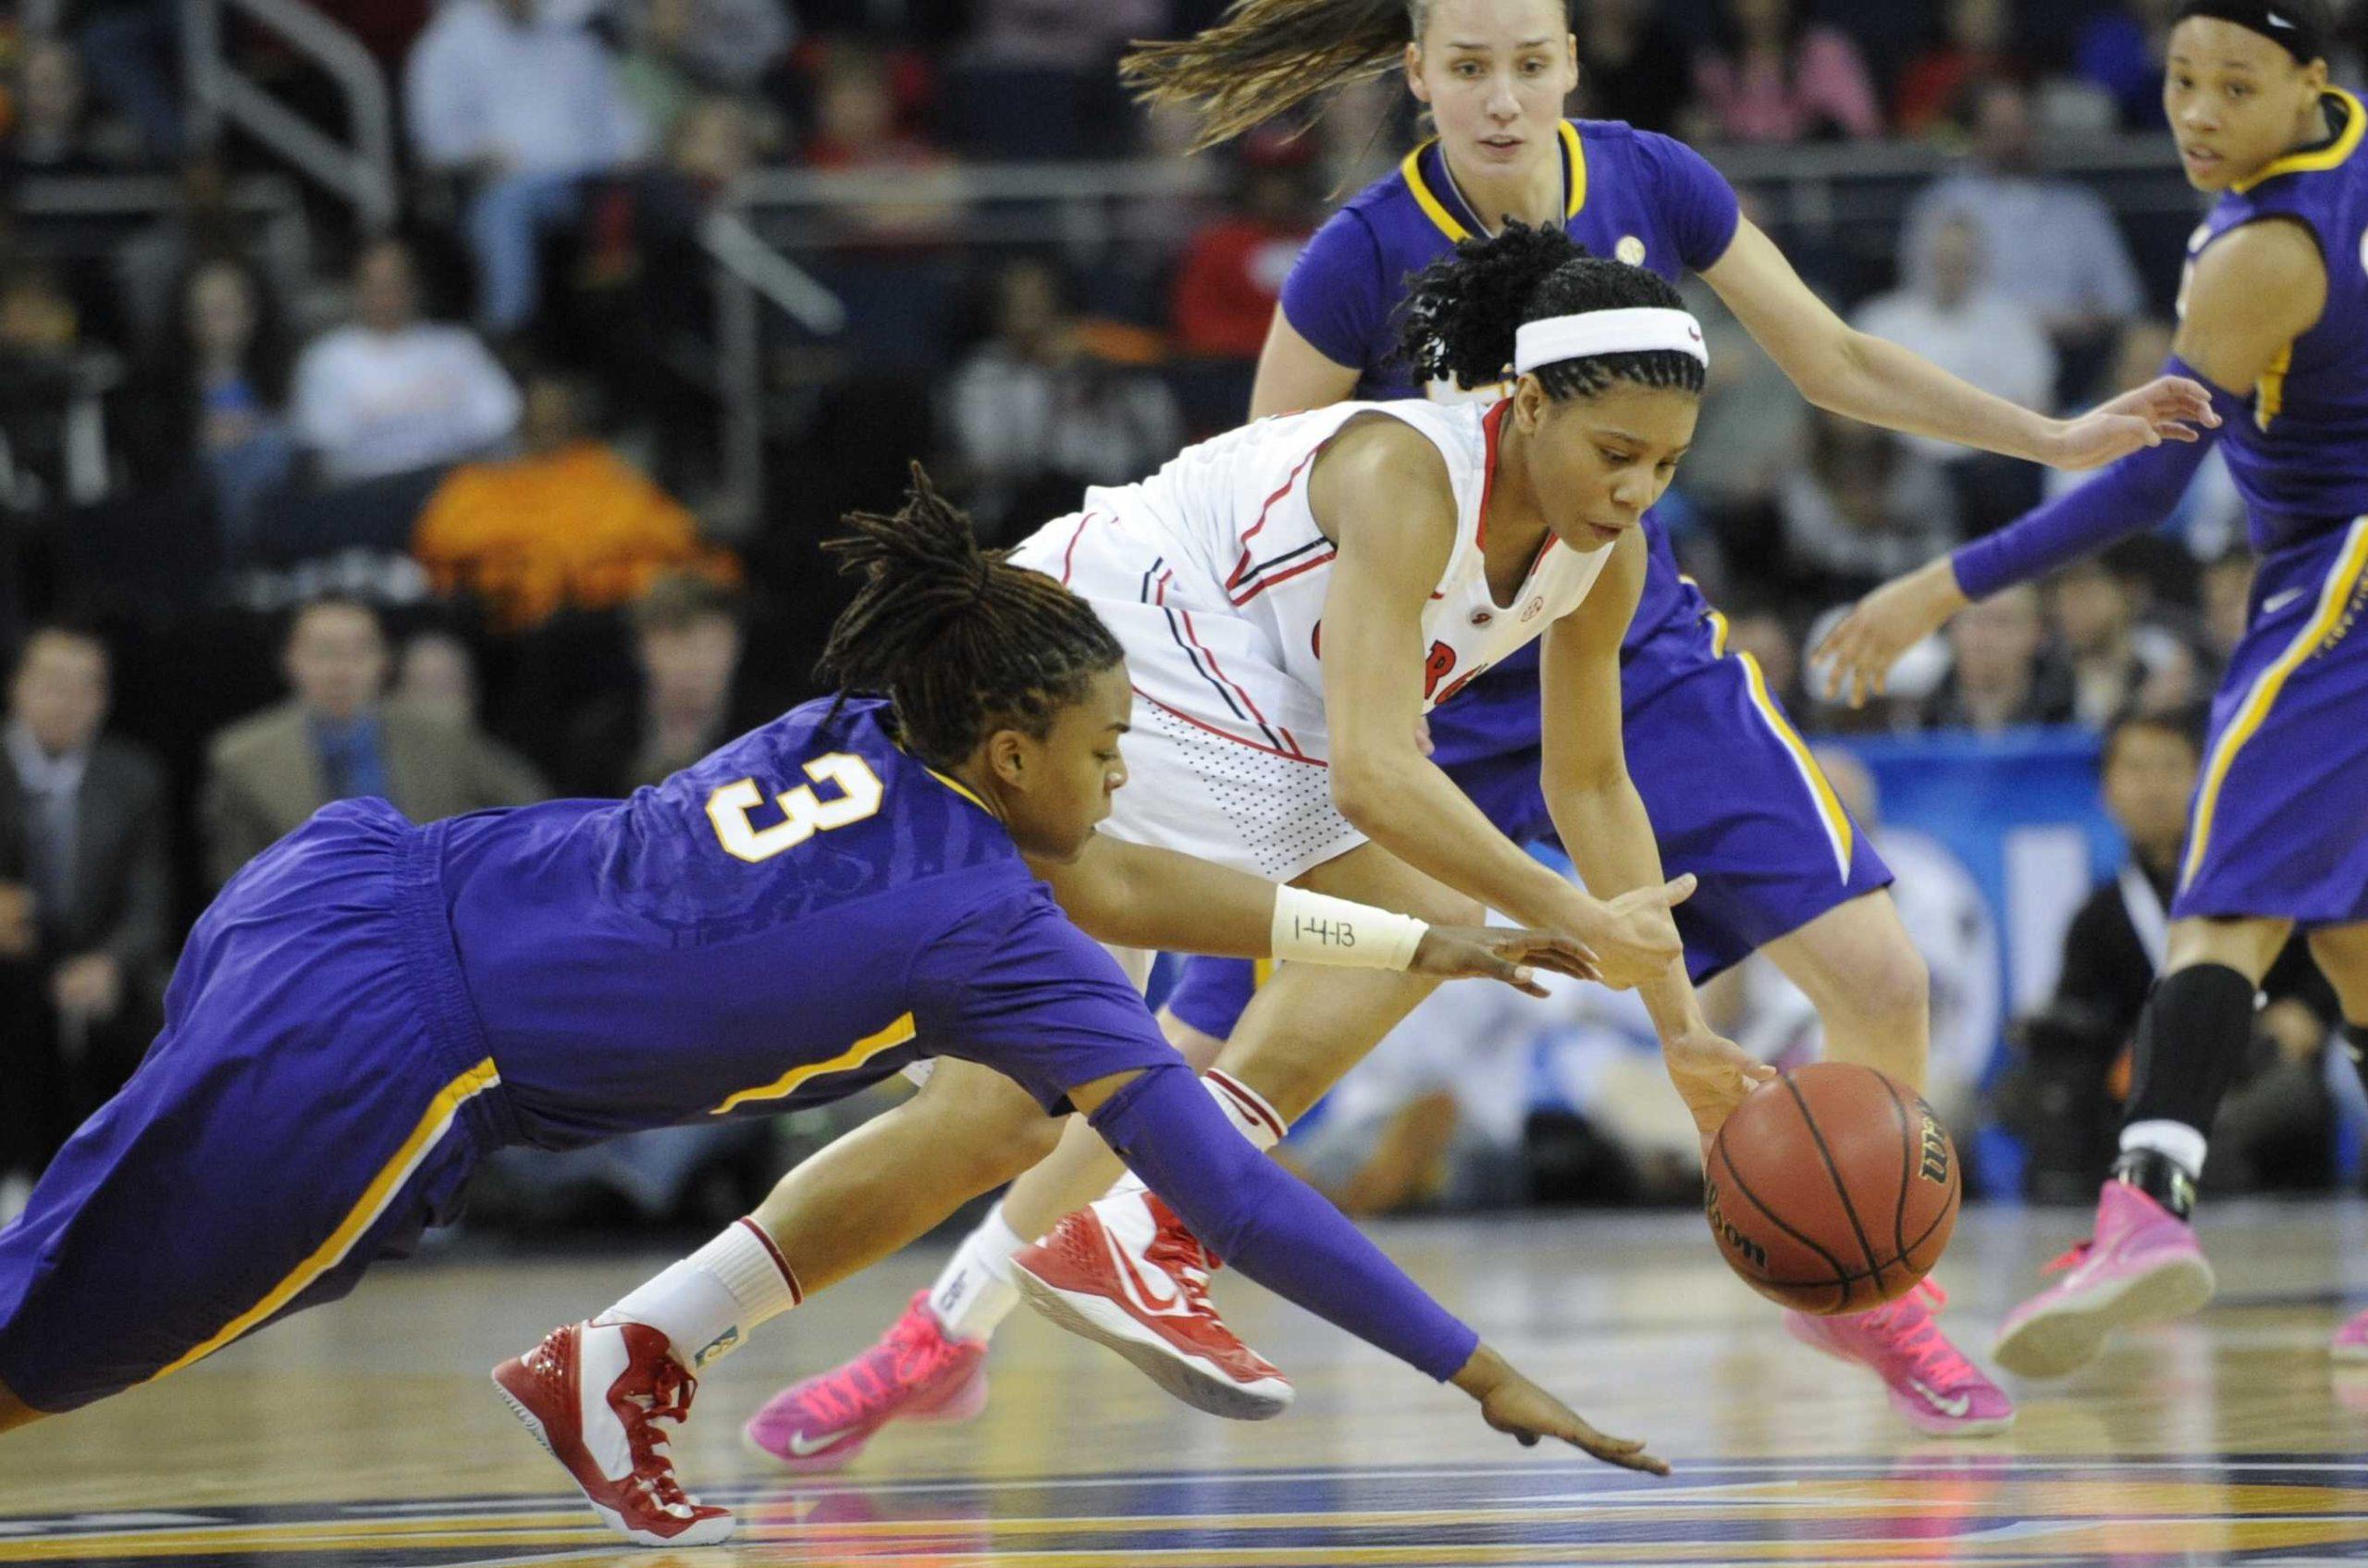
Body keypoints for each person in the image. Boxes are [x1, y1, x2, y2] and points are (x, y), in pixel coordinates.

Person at [760, 0, 2214, 1463]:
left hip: (1613, 640)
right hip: (1405, 689)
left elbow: (1832, 356)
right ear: (1419, 78)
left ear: (1574, 64)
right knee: (1182, 1058)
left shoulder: (1654, 180)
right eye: (1470, 69)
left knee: (1879, 973)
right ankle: (941, 1332)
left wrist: (2054, 439)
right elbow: (1256, 484)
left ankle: (1861, 1275)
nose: (1504, 100)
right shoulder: (1360, 252)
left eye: (1530, 64)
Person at [0, 474, 1629, 1551]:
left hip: (341, 890)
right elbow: (1234, 1193)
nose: (1127, 777)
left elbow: (1132, 886)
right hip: (400, 1058)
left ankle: (614, 1369)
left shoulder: (866, 719)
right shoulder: (990, 933)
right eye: (1109, 747)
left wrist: (1426, 946)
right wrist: (1474, 1366)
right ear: (1009, 756)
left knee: (97, 1256)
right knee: (61, 1350)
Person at [1815, 0, 2368, 1376]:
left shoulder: (2267, 248)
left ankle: (2147, 1204)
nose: (2197, 111)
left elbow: (2151, 477)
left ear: (2312, 79)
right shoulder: (2349, 151)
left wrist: (1944, 584)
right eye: (2181, 79)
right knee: (2355, 943)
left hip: (2342, 572)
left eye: (2237, 84)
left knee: (2226, 893)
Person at [200, 597, 549, 886]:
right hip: (304, 936)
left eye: (358, 651)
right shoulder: (240, 756)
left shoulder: (440, 736)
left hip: (437, 919)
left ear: (383, 661)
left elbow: (533, 810)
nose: (341, 669)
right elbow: (235, 882)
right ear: (291, 661)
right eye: (324, 652)